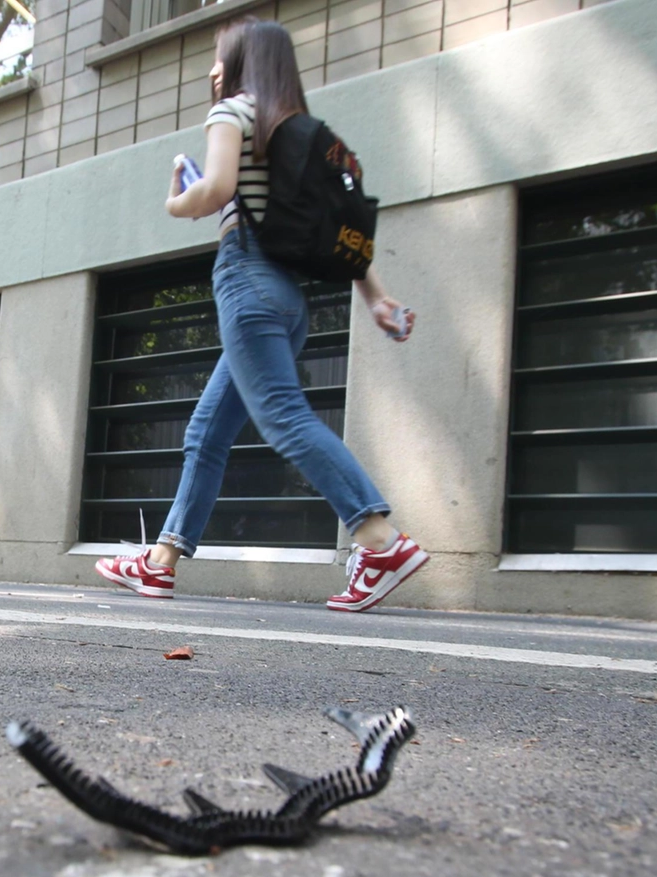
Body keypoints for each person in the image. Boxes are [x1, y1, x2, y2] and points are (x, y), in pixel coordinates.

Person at [94, 17, 427, 613]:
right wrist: (375, 294)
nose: (212, 69)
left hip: (246, 280)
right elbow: (332, 227)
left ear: (242, 62)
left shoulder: (233, 112)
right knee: (207, 430)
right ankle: (160, 563)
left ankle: (380, 541)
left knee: (282, 417)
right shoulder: (288, 130)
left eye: (220, 57)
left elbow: (218, 189)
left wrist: (178, 199)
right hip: (284, 297)